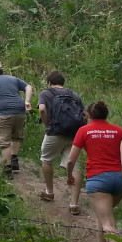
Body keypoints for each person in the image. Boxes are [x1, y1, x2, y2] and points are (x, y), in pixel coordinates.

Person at [66, 100, 122, 242]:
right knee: (102, 216)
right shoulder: (119, 130)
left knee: (108, 224)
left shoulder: (84, 130)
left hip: (98, 178)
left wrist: (69, 176)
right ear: (106, 114)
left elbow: (70, 160)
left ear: (88, 115)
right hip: (120, 179)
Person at [37, 71, 84, 214]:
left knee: (46, 160)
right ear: (62, 82)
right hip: (74, 134)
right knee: (75, 166)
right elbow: (85, 114)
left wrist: (48, 125)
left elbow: (42, 109)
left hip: (54, 132)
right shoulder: (73, 94)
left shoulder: (45, 93)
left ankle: (49, 192)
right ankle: (74, 204)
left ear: (49, 82)